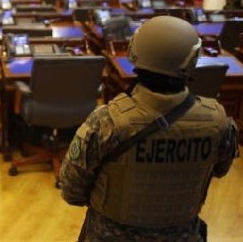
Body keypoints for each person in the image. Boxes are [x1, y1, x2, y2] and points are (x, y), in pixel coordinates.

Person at [60, 15, 239, 242]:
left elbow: (71, 191)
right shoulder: (218, 122)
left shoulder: (106, 122)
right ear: (192, 60)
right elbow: (220, 170)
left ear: (135, 54)